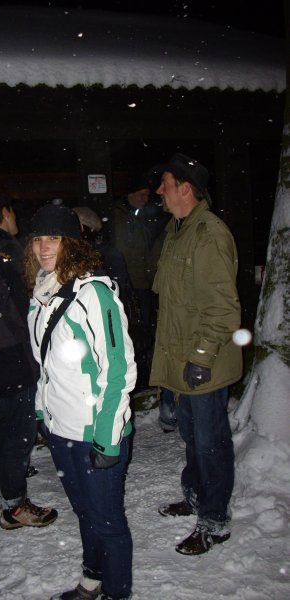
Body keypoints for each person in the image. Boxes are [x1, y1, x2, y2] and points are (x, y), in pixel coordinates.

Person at [24, 203, 136, 600]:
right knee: (84, 512)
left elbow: (118, 370)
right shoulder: (43, 294)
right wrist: (43, 409)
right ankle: (92, 580)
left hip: (95, 432)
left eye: (53, 238)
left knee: (107, 522)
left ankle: (117, 592)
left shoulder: (94, 294)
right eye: (38, 239)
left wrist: (107, 437)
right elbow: (45, 365)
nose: (43, 247)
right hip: (61, 431)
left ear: (72, 243)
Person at [150, 153, 242, 555]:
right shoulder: (178, 230)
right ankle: (196, 496)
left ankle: (214, 521)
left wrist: (202, 357)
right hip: (182, 359)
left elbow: (222, 308)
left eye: (165, 184)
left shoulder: (209, 234)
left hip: (205, 362)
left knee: (210, 442)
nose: (159, 190)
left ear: (185, 188)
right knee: (192, 437)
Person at [0, 192, 57, 529]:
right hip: (13, 353)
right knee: (21, 430)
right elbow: (25, 308)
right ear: (4, 211)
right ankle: (14, 505)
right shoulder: (9, 252)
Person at [109, 174, 153, 388]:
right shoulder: (120, 218)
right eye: (142, 194)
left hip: (141, 283)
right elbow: (126, 253)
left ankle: (141, 377)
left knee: (140, 331)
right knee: (134, 333)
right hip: (131, 286)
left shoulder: (136, 216)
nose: (146, 199)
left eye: (147, 195)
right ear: (130, 194)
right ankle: (137, 379)